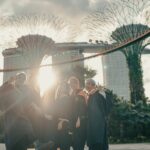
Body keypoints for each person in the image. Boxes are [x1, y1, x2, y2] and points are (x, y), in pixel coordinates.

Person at [0, 73, 35, 150]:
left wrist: (8, 82)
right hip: (20, 130)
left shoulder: (14, 90)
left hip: (16, 131)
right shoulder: (27, 91)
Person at [85, 79, 113, 150]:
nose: (86, 87)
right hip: (93, 127)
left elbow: (107, 106)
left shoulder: (98, 95)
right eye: (86, 84)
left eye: (88, 84)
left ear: (93, 85)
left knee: (98, 144)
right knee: (94, 144)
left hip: (98, 127)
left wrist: (101, 91)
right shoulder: (90, 95)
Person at [68, 76, 87, 150]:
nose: (71, 86)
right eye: (70, 84)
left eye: (72, 84)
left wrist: (79, 119)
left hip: (80, 122)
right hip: (74, 122)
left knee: (79, 143)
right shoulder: (73, 93)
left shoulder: (81, 93)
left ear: (77, 83)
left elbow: (82, 108)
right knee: (75, 144)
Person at [53, 82, 73, 150]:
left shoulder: (69, 99)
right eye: (61, 86)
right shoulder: (57, 99)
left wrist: (61, 122)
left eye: (64, 86)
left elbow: (70, 113)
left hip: (65, 125)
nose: (62, 88)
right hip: (56, 124)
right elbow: (55, 112)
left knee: (65, 146)